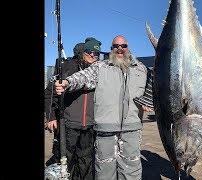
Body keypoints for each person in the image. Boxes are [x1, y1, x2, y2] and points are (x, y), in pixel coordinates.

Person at [55, 35, 148, 180]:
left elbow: (153, 92)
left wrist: (150, 103)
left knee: (131, 170)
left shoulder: (141, 69)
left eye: (123, 46)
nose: (120, 49)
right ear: (111, 49)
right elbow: (83, 77)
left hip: (132, 129)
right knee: (104, 171)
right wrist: (67, 82)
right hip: (106, 130)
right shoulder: (101, 67)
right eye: (115, 46)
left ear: (128, 48)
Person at [45, 37, 102, 180]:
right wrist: (51, 116)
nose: (93, 56)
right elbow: (49, 93)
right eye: (90, 52)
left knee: (86, 162)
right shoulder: (67, 67)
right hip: (68, 125)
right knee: (65, 161)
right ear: (83, 52)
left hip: (89, 126)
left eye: (96, 53)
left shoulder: (99, 71)